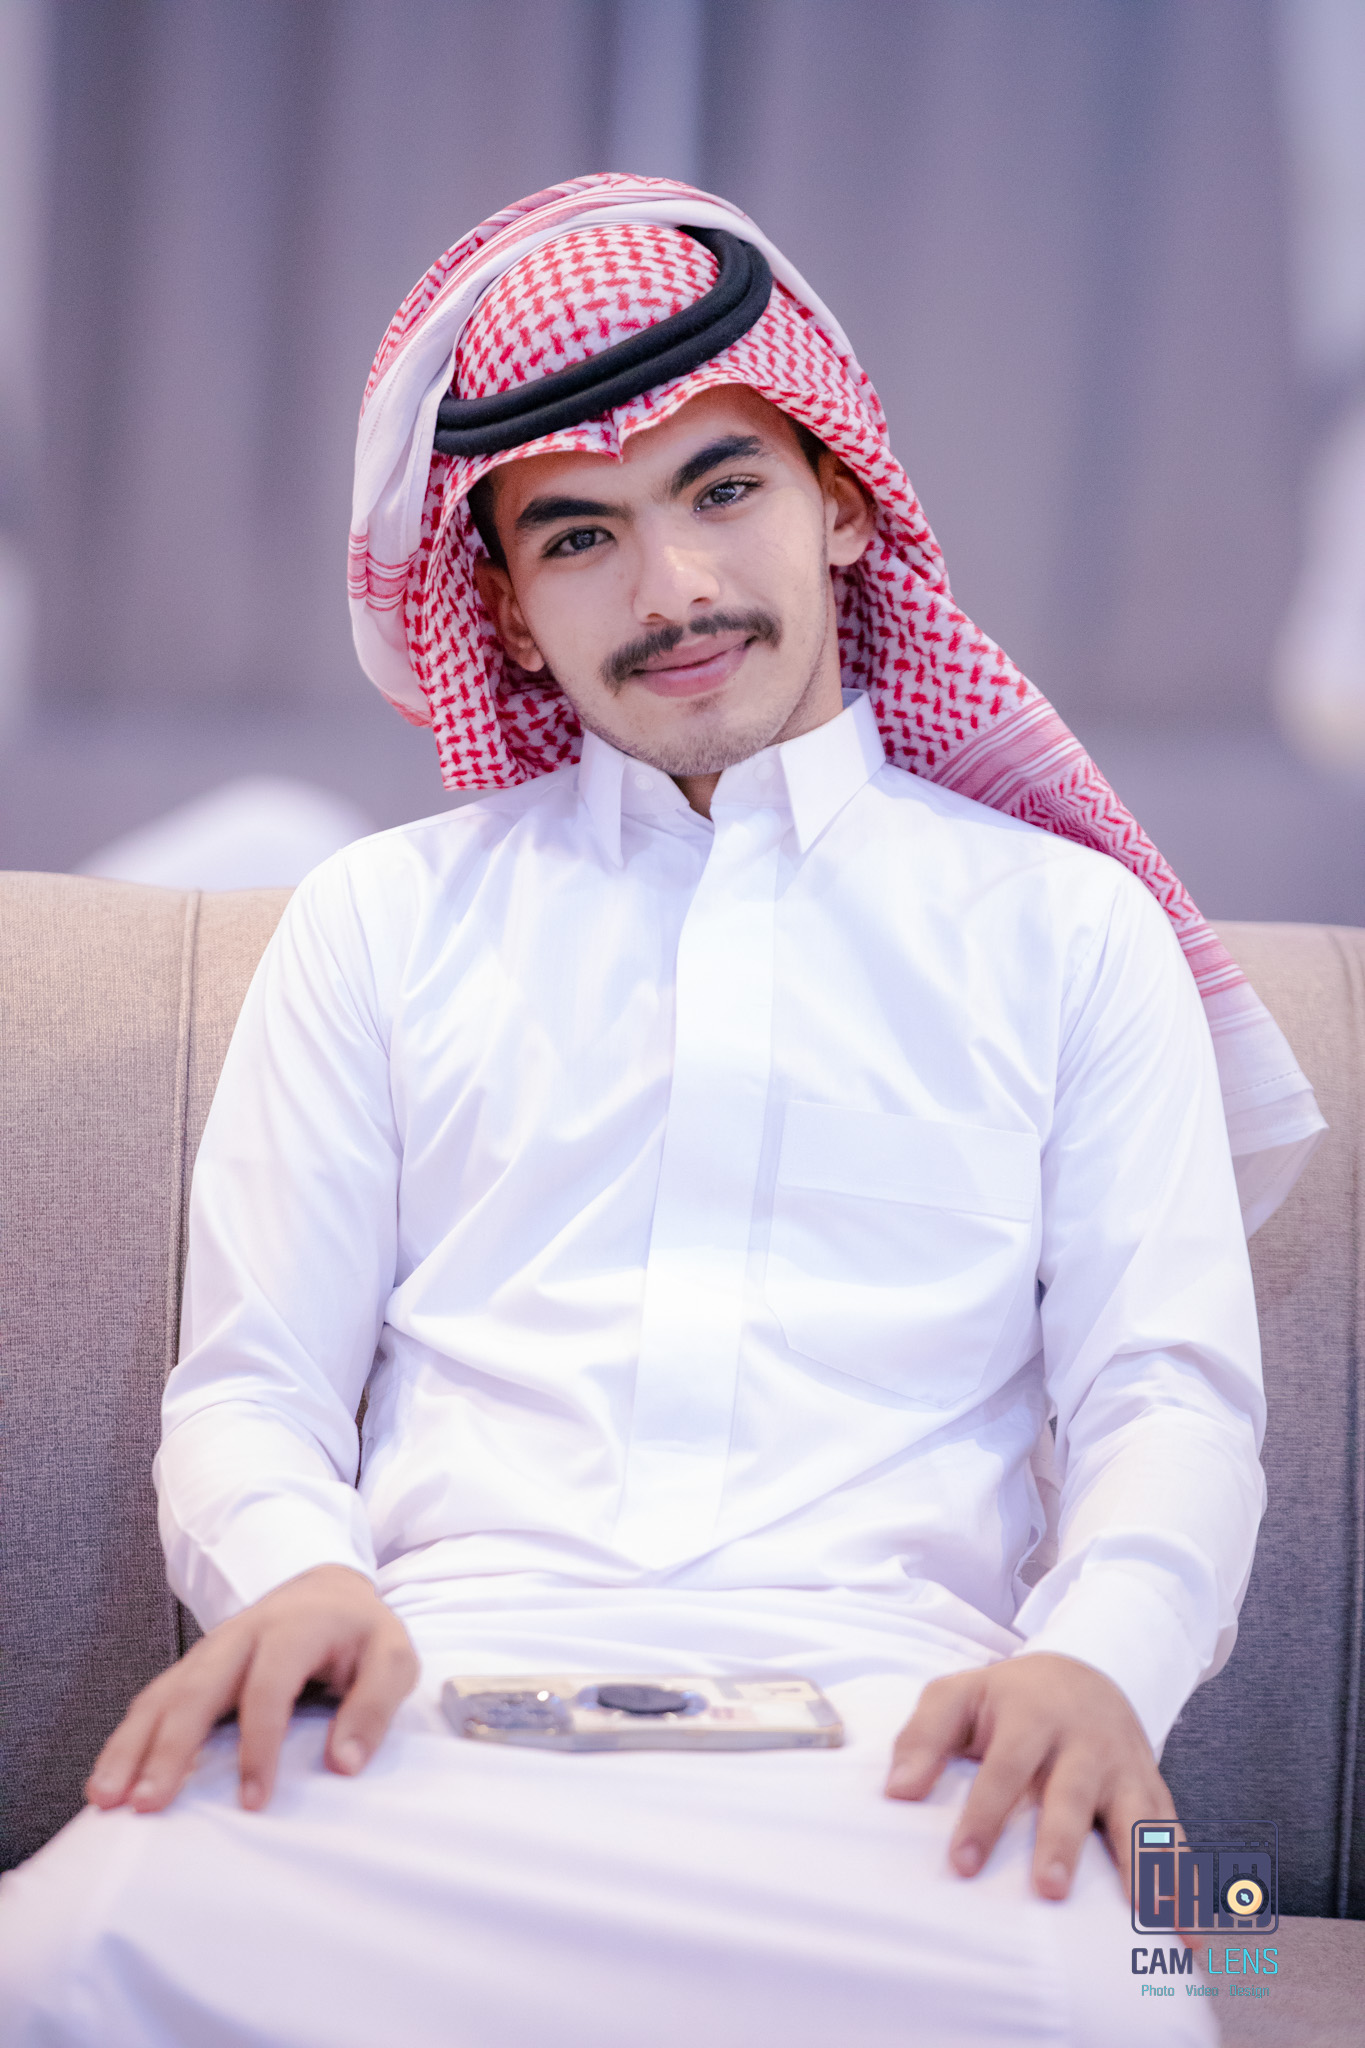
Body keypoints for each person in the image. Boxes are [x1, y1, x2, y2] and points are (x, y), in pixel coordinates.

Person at [0, 174, 1324, 2048]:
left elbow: (1164, 1401)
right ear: (505, 609)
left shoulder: (1066, 929)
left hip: (915, 1722)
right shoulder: (378, 924)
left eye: (722, 491)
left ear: (840, 501)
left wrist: (1094, 1666)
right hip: (417, 1701)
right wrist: (295, 1582)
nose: (674, 591)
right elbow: (253, 1392)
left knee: (1132, 2008)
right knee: (60, 1961)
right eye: (579, 536)